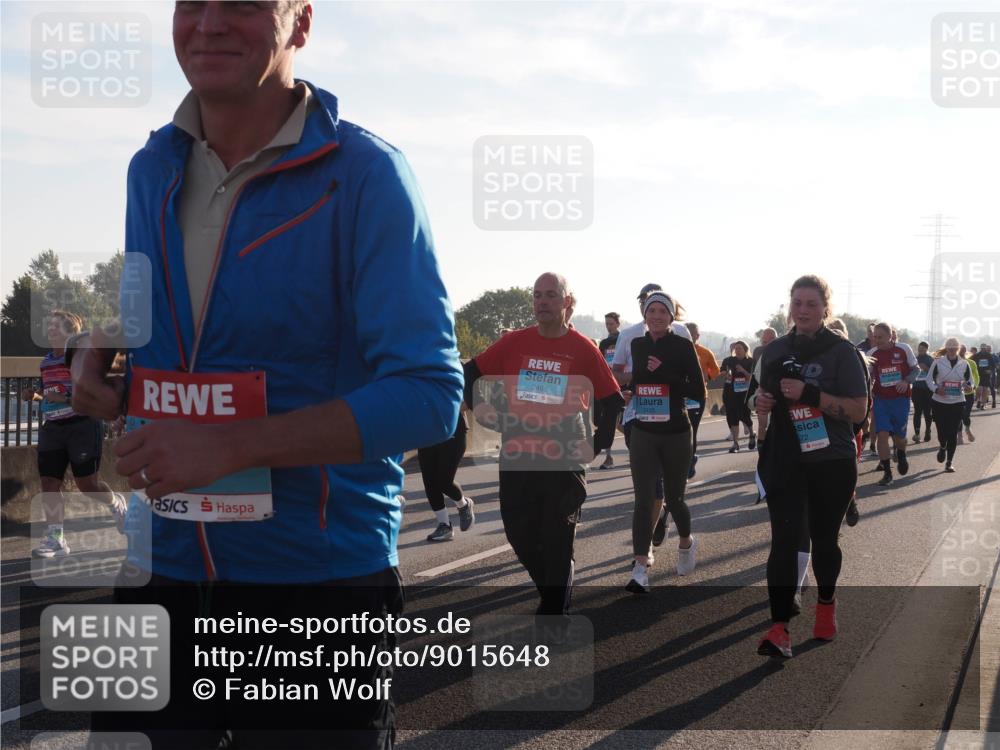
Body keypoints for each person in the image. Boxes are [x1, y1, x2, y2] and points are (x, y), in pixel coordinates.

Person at [70, 3, 463, 746]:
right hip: (163, 570)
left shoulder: (367, 174)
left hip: (314, 587)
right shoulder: (149, 166)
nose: (209, 24)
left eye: (245, 3)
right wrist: (104, 360)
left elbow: (429, 395)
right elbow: (165, 330)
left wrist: (234, 445)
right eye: (193, 2)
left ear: (300, 23)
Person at [463, 273, 623, 615]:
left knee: (556, 535)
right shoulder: (514, 342)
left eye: (550, 295)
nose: (542, 302)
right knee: (519, 533)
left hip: (565, 451)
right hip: (518, 449)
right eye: (537, 296)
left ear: (566, 302)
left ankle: (554, 608)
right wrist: (482, 409)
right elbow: (470, 372)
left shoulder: (583, 348)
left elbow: (612, 401)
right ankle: (554, 588)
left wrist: (596, 445)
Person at [755, 275, 868, 659]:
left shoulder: (841, 352)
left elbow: (857, 410)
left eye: (811, 304)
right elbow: (766, 393)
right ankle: (779, 627)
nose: (803, 310)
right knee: (784, 541)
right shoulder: (774, 350)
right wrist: (763, 403)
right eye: (797, 303)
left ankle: (826, 601)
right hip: (786, 459)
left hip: (831, 460)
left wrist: (810, 394)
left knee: (824, 541)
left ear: (825, 309)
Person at [23, 311, 127, 558]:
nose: (50, 330)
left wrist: (66, 398)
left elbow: (90, 393)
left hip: (81, 425)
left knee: (87, 485)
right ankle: (56, 538)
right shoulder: (46, 362)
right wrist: (36, 396)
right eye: (49, 326)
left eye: (56, 326)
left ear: (71, 332)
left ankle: (116, 504)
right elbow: (52, 392)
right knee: (49, 482)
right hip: (53, 428)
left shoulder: (82, 360)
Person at [623, 292, 706, 593]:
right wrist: (631, 391)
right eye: (651, 310)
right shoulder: (638, 344)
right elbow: (640, 380)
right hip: (644, 430)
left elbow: (698, 390)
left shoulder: (682, 346)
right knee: (643, 500)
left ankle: (686, 542)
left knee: (675, 499)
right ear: (644, 315)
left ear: (672, 316)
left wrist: (666, 374)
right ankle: (640, 567)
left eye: (662, 311)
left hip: (676, 433)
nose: (656, 316)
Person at [611, 284, 692, 546]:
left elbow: (691, 378)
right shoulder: (629, 335)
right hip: (639, 416)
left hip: (674, 420)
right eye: (646, 304)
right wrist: (635, 384)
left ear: (670, 311)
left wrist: (663, 376)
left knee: (665, 487)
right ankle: (644, 550)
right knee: (647, 488)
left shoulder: (681, 334)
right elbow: (618, 372)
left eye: (659, 306)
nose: (653, 312)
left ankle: (661, 518)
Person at [867, 322, 918, 487]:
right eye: (875, 337)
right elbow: (866, 376)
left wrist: (906, 381)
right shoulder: (872, 353)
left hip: (900, 399)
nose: (877, 340)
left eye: (880, 337)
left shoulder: (904, 349)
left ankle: (901, 452)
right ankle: (887, 473)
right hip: (881, 400)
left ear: (890, 336)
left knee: (899, 436)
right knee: (882, 434)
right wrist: (869, 389)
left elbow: (915, 370)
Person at [418, 409, 476, 542]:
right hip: (426, 433)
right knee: (429, 482)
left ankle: (464, 505)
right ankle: (444, 525)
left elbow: (466, 399)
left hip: (452, 429)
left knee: (444, 481)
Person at [927, 338, 975, 473]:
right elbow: (929, 379)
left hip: (957, 402)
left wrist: (968, 386)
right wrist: (936, 389)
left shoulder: (964, 364)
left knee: (953, 432)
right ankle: (942, 447)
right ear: (946, 348)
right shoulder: (938, 362)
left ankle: (949, 462)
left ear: (958, 348)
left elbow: (970, 381)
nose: (952, 349)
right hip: (939, 402)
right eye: (950, 347)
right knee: (942, 432)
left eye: (955, 347)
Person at [685, 322, 720, 479]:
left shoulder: (705, 353)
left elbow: (716, 370)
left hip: (697, 396)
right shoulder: (676, 350)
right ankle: (683, 460)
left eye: (691, 334)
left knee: (692, 429)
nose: (688, 336)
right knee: (679, 430)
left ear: (697, 336)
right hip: (679, 396)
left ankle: (690, 460)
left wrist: (707, 377)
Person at [595, 312, 622, 469]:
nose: (609, 326)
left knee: (623, 422)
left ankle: (637, 447)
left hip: (623, 383)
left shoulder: (623, 339)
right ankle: (609, 457)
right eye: (607, 324)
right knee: (606, 421)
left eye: (611, 323)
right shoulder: (604, 343)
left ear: (618, 324)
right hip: (608, 384)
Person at [720, 341, 756, 452]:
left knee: (745, 416)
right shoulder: (728, 360)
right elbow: (722, 372)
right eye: (736, 348)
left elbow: (752, 378)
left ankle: (751, 434)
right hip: (730, 393)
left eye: (740, 348)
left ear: (745, 349)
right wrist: (725, 374)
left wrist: (743, 371)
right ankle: (735, 444)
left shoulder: (751, 361)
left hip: (744, 394)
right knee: (732, 418)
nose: (737, 350)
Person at [911, 341, 934, 444]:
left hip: (927, 389)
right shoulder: (914, 359)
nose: (920, 351)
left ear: (926, 349)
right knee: (917, 412)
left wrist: (927, 368)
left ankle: (928, 431)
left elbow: (935, 374)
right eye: (919, 349)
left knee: (927, 412)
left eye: (923, 349)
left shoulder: (930, 359)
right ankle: (917, 434)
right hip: (916, 389)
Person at [957, 344, 978, 445]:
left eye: (963, 350)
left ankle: (967, 429)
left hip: (969, 393)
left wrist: (974, 387)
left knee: (966, 414)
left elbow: (976, 377)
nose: (962, 351)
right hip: (957, 393)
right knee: (958, 415)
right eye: (960, 350)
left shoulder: (971, 363)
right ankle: (959, 436)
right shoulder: (953, 363)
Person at [975, 344, 997, 409]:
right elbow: (973, 363)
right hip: (979, 374)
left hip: (986, 375)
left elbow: (993, 365)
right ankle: (978, 400)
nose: (983, 350)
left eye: (984, 348)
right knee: (979, 389)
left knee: (985, 389)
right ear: (980, 348)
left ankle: (983, 404)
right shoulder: (977, 355)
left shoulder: (989, 355)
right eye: (982, 348)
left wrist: (990, 370)